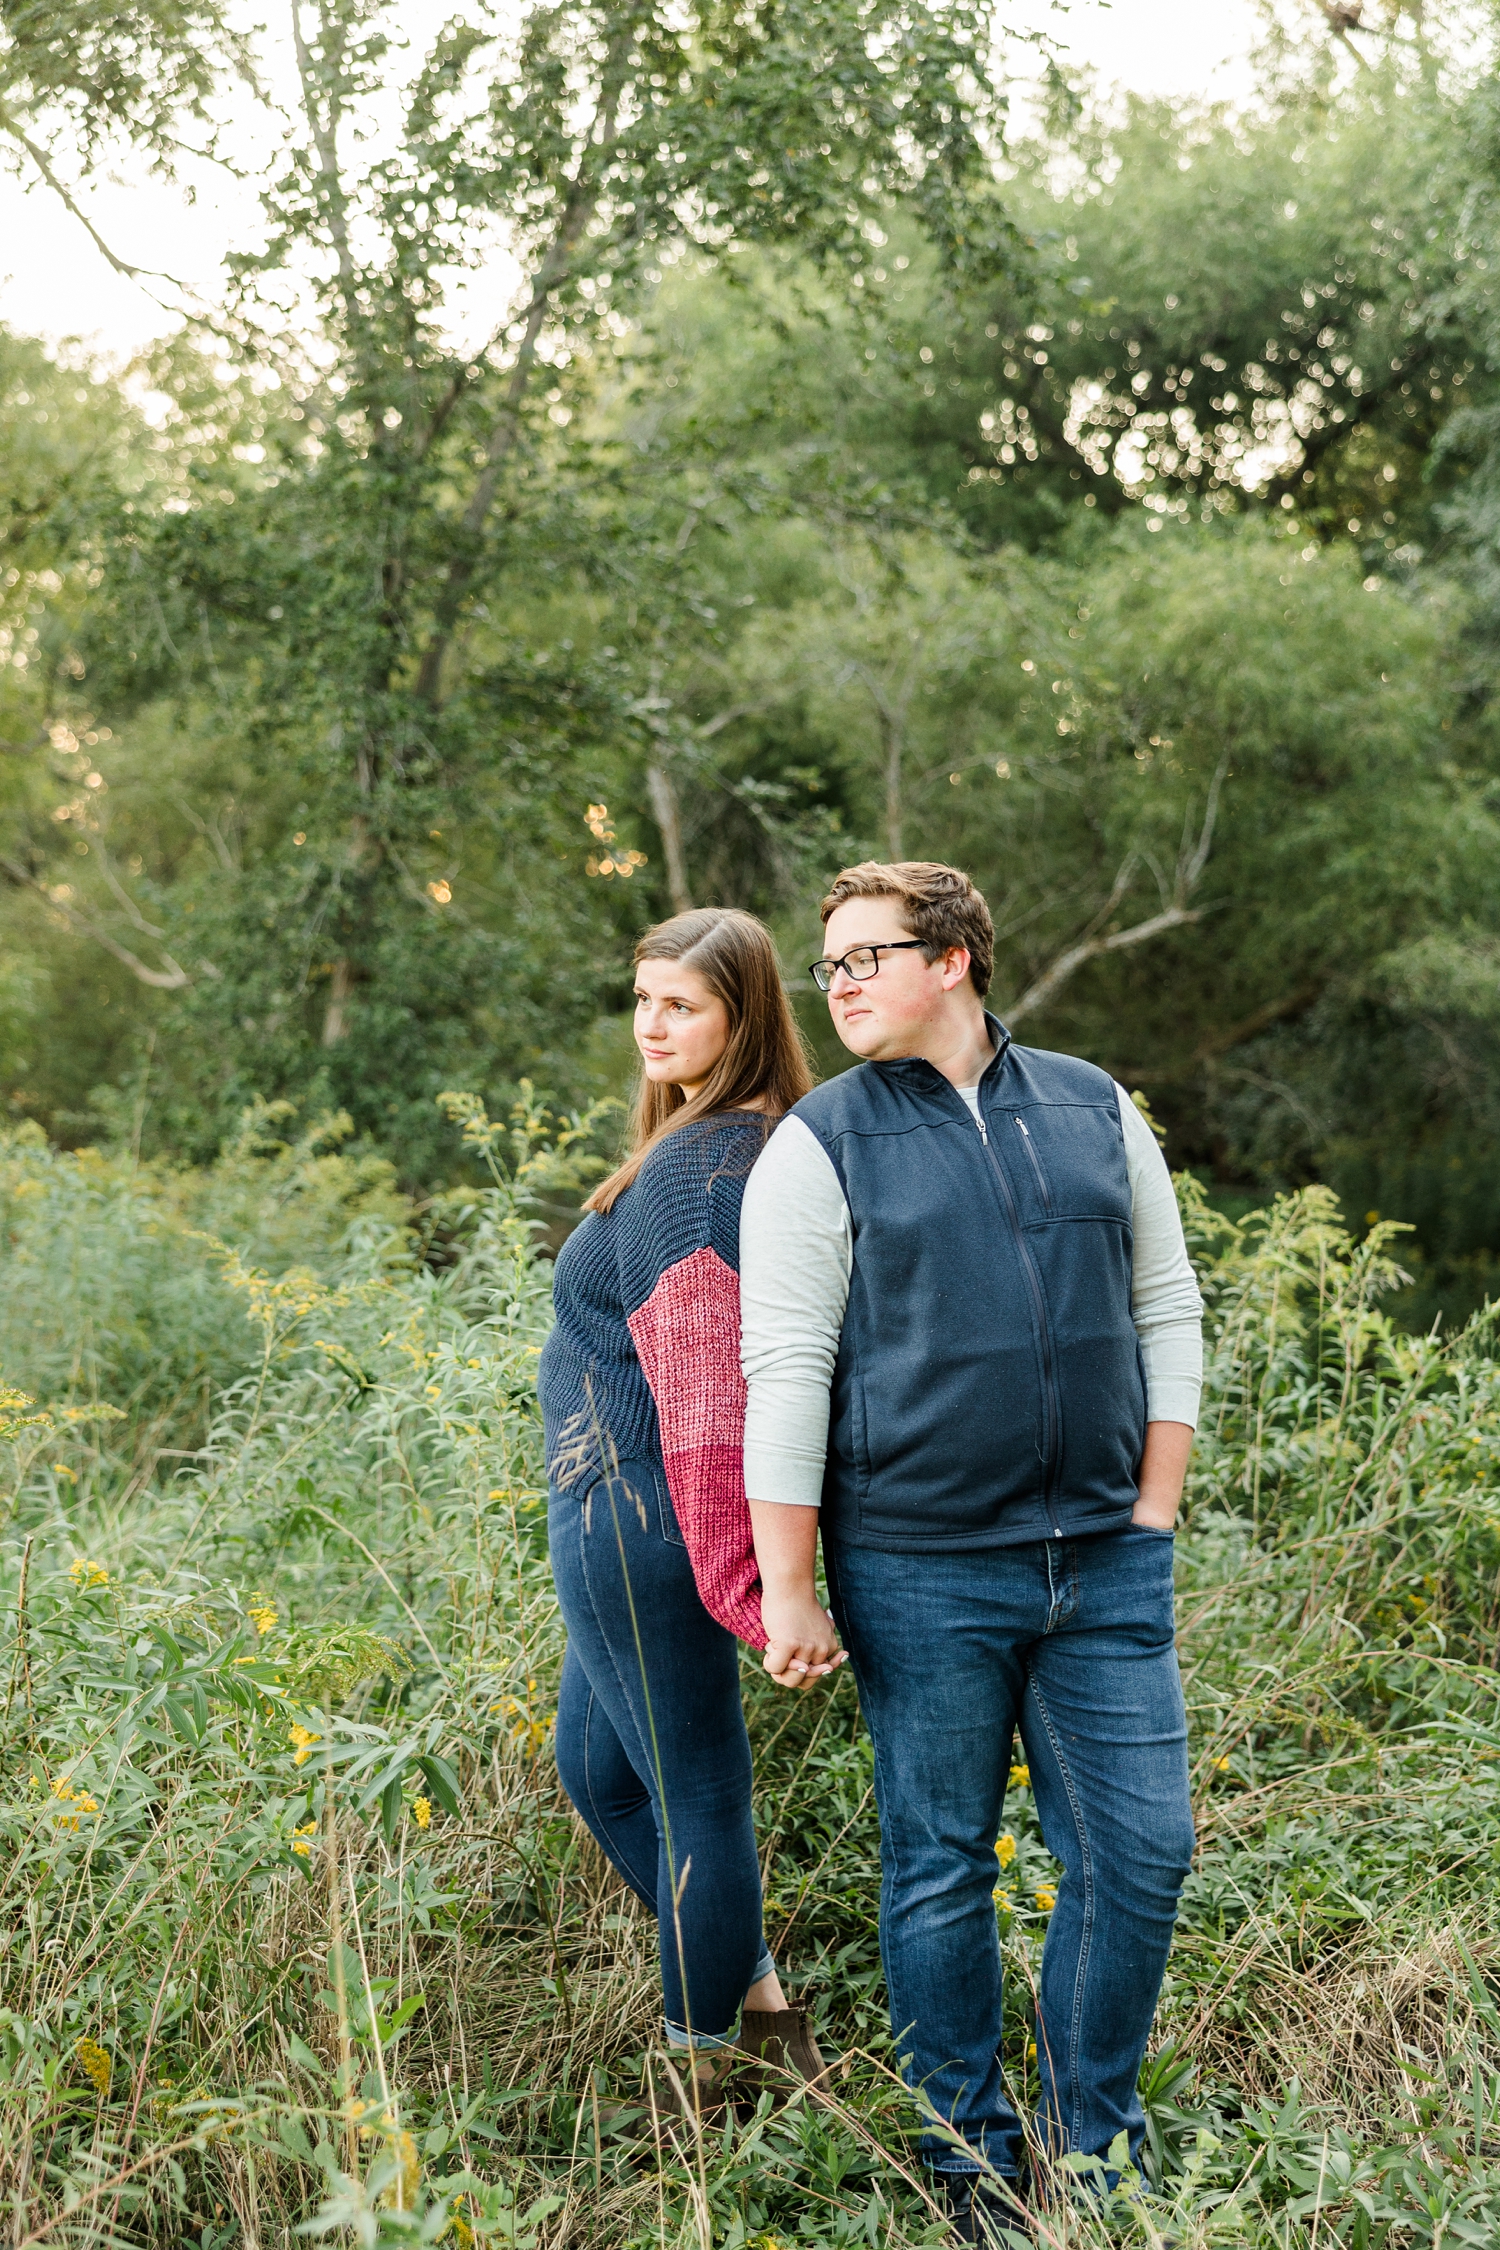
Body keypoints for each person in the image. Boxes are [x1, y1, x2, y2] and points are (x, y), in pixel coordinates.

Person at [738, 860, 1204, 2241]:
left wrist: (1157, 1507)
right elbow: (783, 1367)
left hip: (1106, 1564)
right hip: (922, 1563)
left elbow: (1166, 1304)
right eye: (828, 968)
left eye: (865, 958)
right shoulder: (819, 1142)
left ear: (954, 959)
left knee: (1143, 1855)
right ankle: (972, 2162)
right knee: (942, 1862)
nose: (841, 987)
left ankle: (1091, 2140)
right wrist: (790, 1581)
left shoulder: (1092, 1106)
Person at [539, 906, 833, 2120]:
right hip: (620, 1517)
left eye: (685, 1006)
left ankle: (701, 2089)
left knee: (696, 1798)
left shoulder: (697, 1174)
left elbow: (714, 1404)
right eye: (646, 1000)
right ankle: (760, 2010)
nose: (654, 1027)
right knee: (601, 1773)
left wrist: (751, 1589)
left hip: (642, 1523)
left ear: (743, 1017)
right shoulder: (744, 1146)